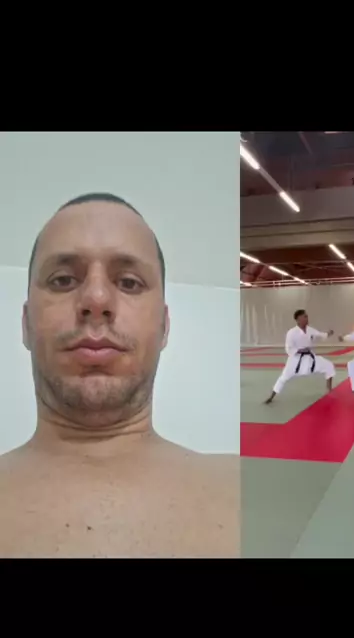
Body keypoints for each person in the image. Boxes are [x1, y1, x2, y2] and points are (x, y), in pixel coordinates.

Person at [0, 192, 238, 557]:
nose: (96, 300)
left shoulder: (244, 490)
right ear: (25, 324)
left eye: (128, 282)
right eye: (62, 280)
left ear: (164, 326)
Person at [264, 309, 335, 404]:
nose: (307, 318)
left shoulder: (310, 330)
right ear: (298, 319)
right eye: (304, 317)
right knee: (283, 377)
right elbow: (288, 348)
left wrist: (328, 334)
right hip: (295, 360)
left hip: (309, 358)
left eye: (307, 316)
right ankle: (271, 397)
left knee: (328, 365)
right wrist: (300, 350)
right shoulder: (291, 332)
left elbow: (320, 334)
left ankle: (329, 389)